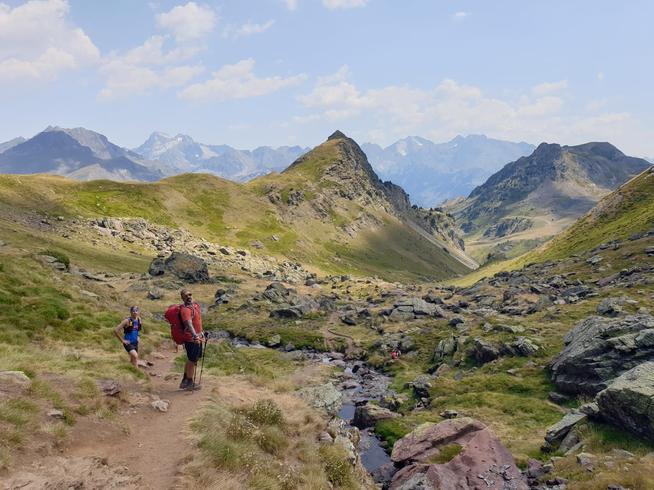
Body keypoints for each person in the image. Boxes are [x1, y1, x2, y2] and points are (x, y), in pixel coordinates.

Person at [179, 289, 204, 390]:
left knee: (192, 359)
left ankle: (185, 380)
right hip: (191, 339)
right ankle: (189, 382)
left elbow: (197, 321)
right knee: (192, 360)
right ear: (182, 297)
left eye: (190, 294)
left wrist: (202, 332)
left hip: (197, 336)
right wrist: (195, 336)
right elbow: (188, 324)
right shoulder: (185, 310)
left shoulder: (194, 306)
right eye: (186, 295)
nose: (189, 296)